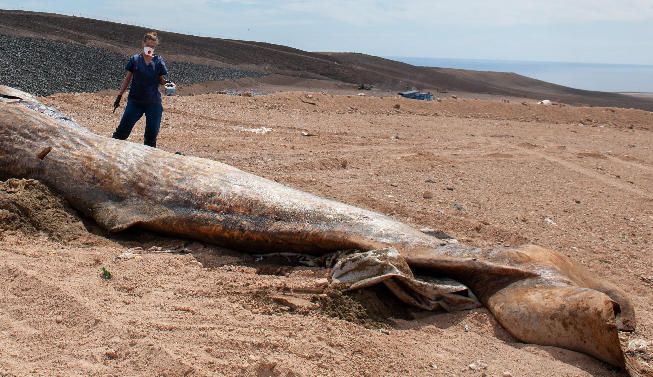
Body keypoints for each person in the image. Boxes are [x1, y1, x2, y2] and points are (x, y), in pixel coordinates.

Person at [112, 31, 169, 148]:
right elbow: (127, 79)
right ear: (143, 44)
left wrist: (168, 83)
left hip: (153, 103)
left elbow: (161, 80)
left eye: (152, 47)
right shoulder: (135, 59)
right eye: (148, 46)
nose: (150, 48)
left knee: (151, 135)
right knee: (122, 131)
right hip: (135, 101)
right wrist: (119, 96)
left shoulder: (158, 61)